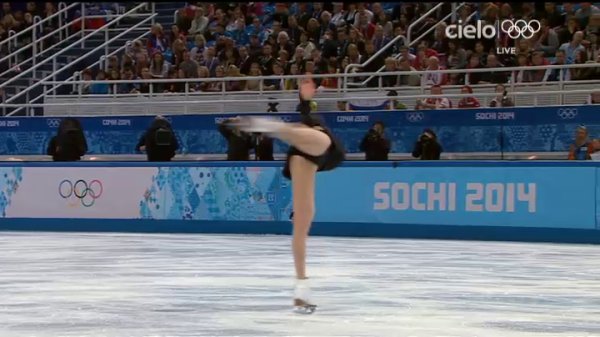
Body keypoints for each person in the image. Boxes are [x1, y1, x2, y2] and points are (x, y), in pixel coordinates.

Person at [228, 78, 345, 314]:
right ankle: (259, 125)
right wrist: (305, 99)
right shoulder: (318, 132)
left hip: (302, 159)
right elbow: (305, 116)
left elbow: (304, 112)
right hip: (317, 149)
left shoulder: (309, 128)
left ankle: (301, 289)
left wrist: (305, 98)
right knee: (292, 132)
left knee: (303, 224)